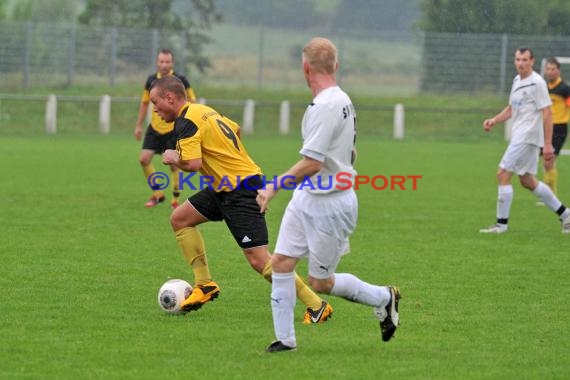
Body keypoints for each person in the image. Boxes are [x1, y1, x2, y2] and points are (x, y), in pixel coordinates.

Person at [256, 37, 400, 353]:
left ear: (305, 68)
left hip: (331, 204)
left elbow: (313, 162)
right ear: (336, 66)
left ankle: (384, 298)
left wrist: (273, 186)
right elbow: (347, 150)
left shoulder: (326, 106)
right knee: (280, 263)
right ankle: (286, 340)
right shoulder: (341, 98)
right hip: (308, 198)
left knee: (321, 282)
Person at [149, 75, 333, 324]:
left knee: (259, 260)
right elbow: (235, 128)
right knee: (180, 219)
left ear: (170, 97)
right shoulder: (202, 110)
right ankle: (204, 284)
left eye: (156, 102)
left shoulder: (185, 122)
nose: (155, 110)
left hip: (241, 189)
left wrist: (173, 157)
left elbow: (192, 164)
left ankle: (317, 305)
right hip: (223, 186)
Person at [480, 47, 570, 234]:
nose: (520, 63)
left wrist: (547, 144)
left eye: (524, 60)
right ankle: (566, 214)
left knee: (502, 174)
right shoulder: (517, 80)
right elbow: (512, 108)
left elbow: (547, 112)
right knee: (527, 181)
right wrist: (495, 120)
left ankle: (501, 225)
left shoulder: (537, 83)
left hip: (527, 137)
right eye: (518, 59)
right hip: (520, 135)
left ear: (532, 61)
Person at [134, 49, 197, 209]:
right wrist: (138, 125)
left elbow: (192, 100)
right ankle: (158, 194)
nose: (164, 65)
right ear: (157, 62)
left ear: (172, 63)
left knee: (174, 164)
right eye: (161, 61)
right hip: (155, 127)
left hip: (173, 128)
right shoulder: (151, 80)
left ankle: (175, 199)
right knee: (143, 159)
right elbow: (145, 103)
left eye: (167, 62)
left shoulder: (180, 80)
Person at [542, 57, 570, 196]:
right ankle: (548, 193)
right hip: (546, 128)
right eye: (548, 69)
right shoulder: (545, 88)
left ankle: (550, 194)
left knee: (549, 160)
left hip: (559, 128)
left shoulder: (565, 88)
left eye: (553, 69)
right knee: (546, 161)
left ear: (558, 70)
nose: (550, 72)